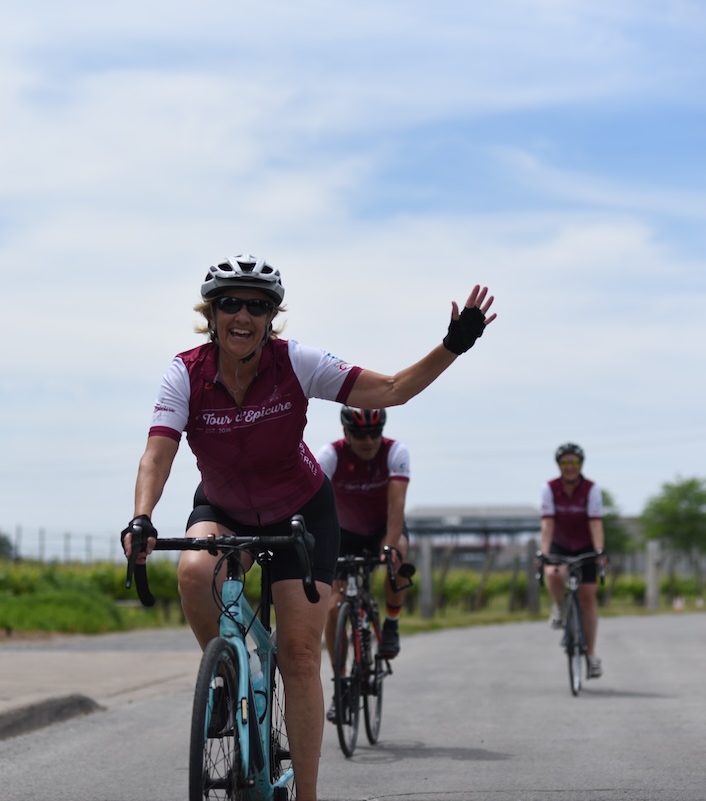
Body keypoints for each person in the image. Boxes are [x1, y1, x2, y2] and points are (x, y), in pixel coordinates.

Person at [121, 254, 496, 801]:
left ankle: (308, 796)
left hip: (301, 512)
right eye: (230, 303)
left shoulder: (295, 363)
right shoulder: (186, 371)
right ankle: (226, 673)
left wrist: (452, 347)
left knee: (299, 655)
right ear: (212, 313)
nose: (243, 315)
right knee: (192, 573)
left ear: (273, 315)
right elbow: (157, 453)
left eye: (258, 305)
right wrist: (143, 516)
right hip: (223, 507)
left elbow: (391, 389)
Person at [316, 406, 412, 721]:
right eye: (360, 434)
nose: (369, 440)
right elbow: (314, 502)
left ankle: (392, 623)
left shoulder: (394, 452)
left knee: (397, 558)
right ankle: (341, 681)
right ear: (346, 433)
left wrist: (389, 545)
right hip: (344, 532)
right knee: (333, 607)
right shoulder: (329, 455)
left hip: (384, 527)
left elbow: (397, 503)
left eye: (374, 433)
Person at [539, 442, 606, 679]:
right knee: (553, 573)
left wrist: (599, 551)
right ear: (559, 465)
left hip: (585, 545)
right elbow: (547, 524)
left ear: (580, 465)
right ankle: (559, 607)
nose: (569, 467)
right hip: (559, 543)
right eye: (565, 463)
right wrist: (544, 553)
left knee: (588, 597)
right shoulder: (550, 489)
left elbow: (596, 523)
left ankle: (591, 654)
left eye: (574, 463)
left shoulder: (591, 489)